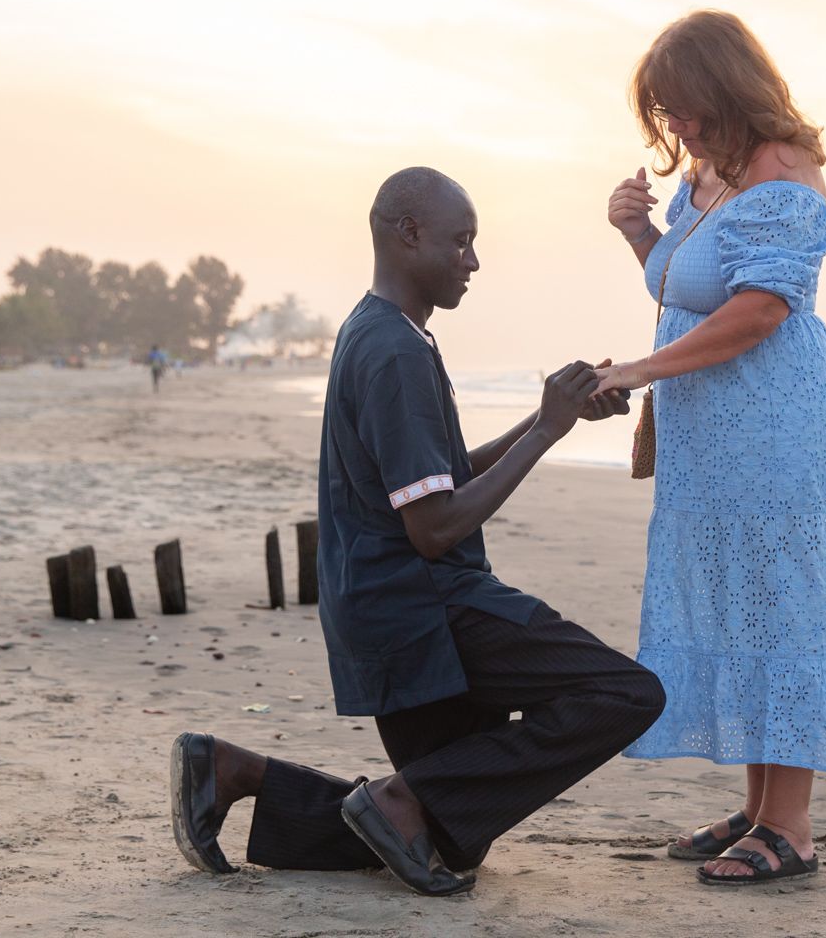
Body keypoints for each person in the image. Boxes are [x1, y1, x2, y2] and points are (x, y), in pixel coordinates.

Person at [168, 167, 662, 896]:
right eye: (460, 242)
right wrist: (548, 431)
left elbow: (446, 477)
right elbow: (435, 529)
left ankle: (236, 772)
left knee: (448, 831)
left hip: (378, 611)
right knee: (629, 694)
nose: (473, 261)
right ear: (408, 234)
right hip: (423, 603)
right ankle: (395, 800)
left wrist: (549, 416)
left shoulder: (381, 331)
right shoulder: (395, 350)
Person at [594, 10, 826, 885]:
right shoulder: (707, 176)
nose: (673, 127)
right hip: (711, 431)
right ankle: (758, 810)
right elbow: (683, 281)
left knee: (781, 603)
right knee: (740, 598)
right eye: (663, 113)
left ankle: (792, 827)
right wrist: (638, 231)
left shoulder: (786, 173)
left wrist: (638, 368)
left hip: (775, 421)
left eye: (681, 107)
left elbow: (756, 312)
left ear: (724, 87)